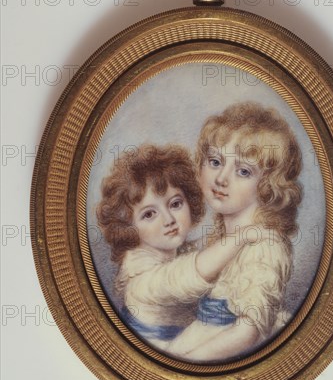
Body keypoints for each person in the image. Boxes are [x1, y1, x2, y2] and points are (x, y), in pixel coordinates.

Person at [167, 101, 303, 362]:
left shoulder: (265, 246)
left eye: (243, 171)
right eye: (215, 161)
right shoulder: (222, 236)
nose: (221, 178)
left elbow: (246, 334)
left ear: (268, 186)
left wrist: (189, 365)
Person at [96, 143, 253, 351]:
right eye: (149, 214)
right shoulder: (139, 279)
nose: (169, 219)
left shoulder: (178, 253)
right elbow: (182, 276)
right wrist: (242, 237)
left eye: (175, 204)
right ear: (128, 227)